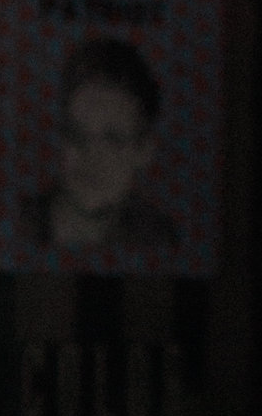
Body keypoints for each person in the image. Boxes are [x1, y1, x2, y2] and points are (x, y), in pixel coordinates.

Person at [32, 31, 175, 261]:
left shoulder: (158, 238)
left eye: (113, 140)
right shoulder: (18, 224)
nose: (91, 158)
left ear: (144, 151)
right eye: (77, 135)